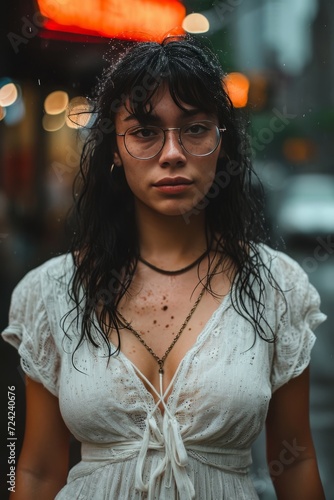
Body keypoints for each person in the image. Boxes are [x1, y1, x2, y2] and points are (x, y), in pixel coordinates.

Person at [2, 34, 326, 500]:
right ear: (114, 148)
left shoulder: (278, 286)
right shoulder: (51, 291)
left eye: (194, 128)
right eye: (145, 131)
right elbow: (34, 471)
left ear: (221, 141)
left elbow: (294, 462)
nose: (172, 152)